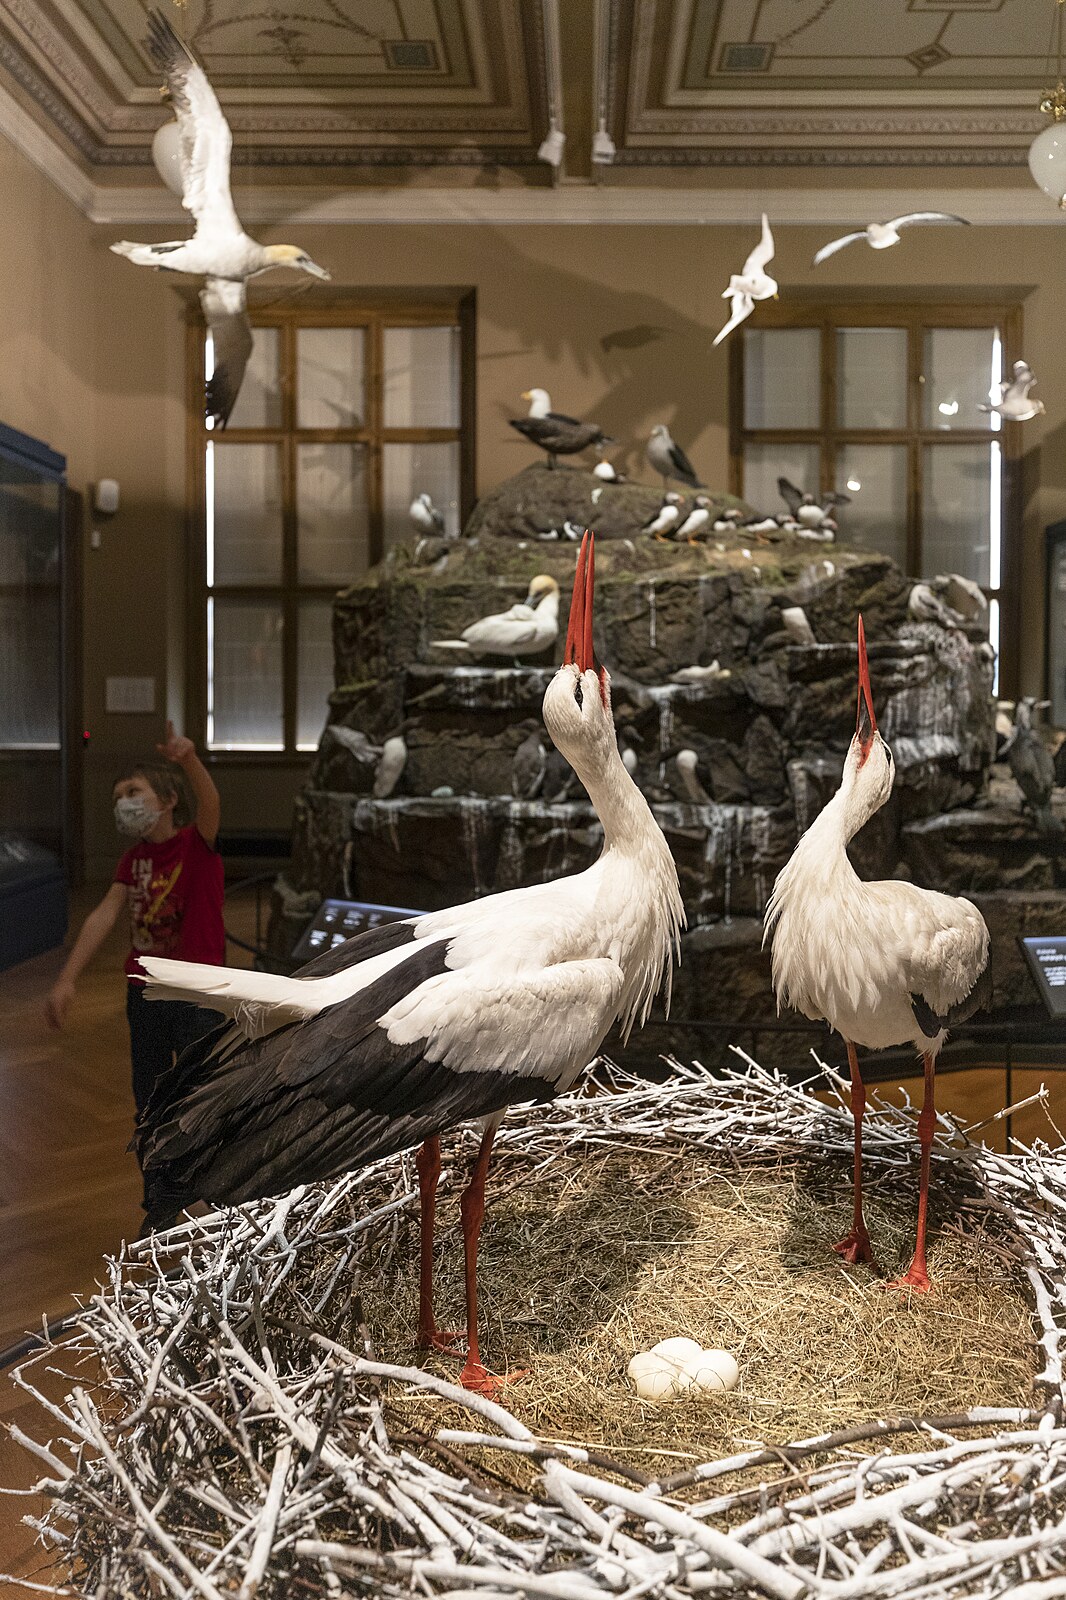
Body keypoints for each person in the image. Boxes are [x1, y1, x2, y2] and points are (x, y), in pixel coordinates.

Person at [46, 722, 225, 1121]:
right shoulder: (132, 859)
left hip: (198, 991)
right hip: (144, 991)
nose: (123, 803)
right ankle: (154, 1154)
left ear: (169, 800)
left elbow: (210, 801)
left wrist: (189, 760)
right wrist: (67, 978)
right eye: (118, 797)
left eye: (133, 792)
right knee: (149, 1095)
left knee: (201, 1092)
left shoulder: (196, 844)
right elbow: (105, 914)